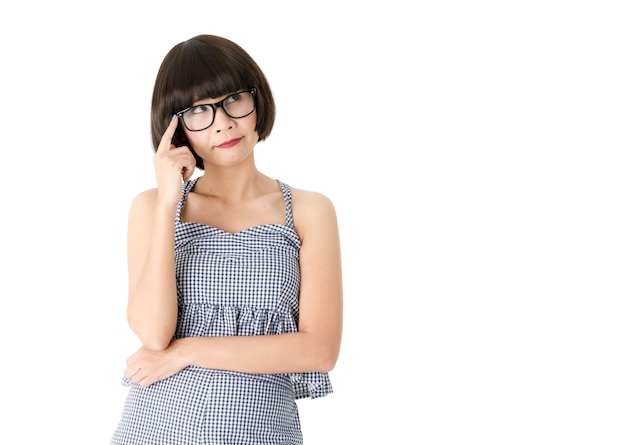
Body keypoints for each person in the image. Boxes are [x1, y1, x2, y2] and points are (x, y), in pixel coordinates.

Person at [109, 34, 343, 444]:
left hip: (263, 431)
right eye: (198, 109)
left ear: (257, 101)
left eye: (234, 98)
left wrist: (189, 351)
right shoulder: (152, 208)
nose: (223, 121)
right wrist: (169, 205)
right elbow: (152, 334)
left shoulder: (309, 211)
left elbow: (319, 350)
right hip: (156, 427)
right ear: (175, 126)